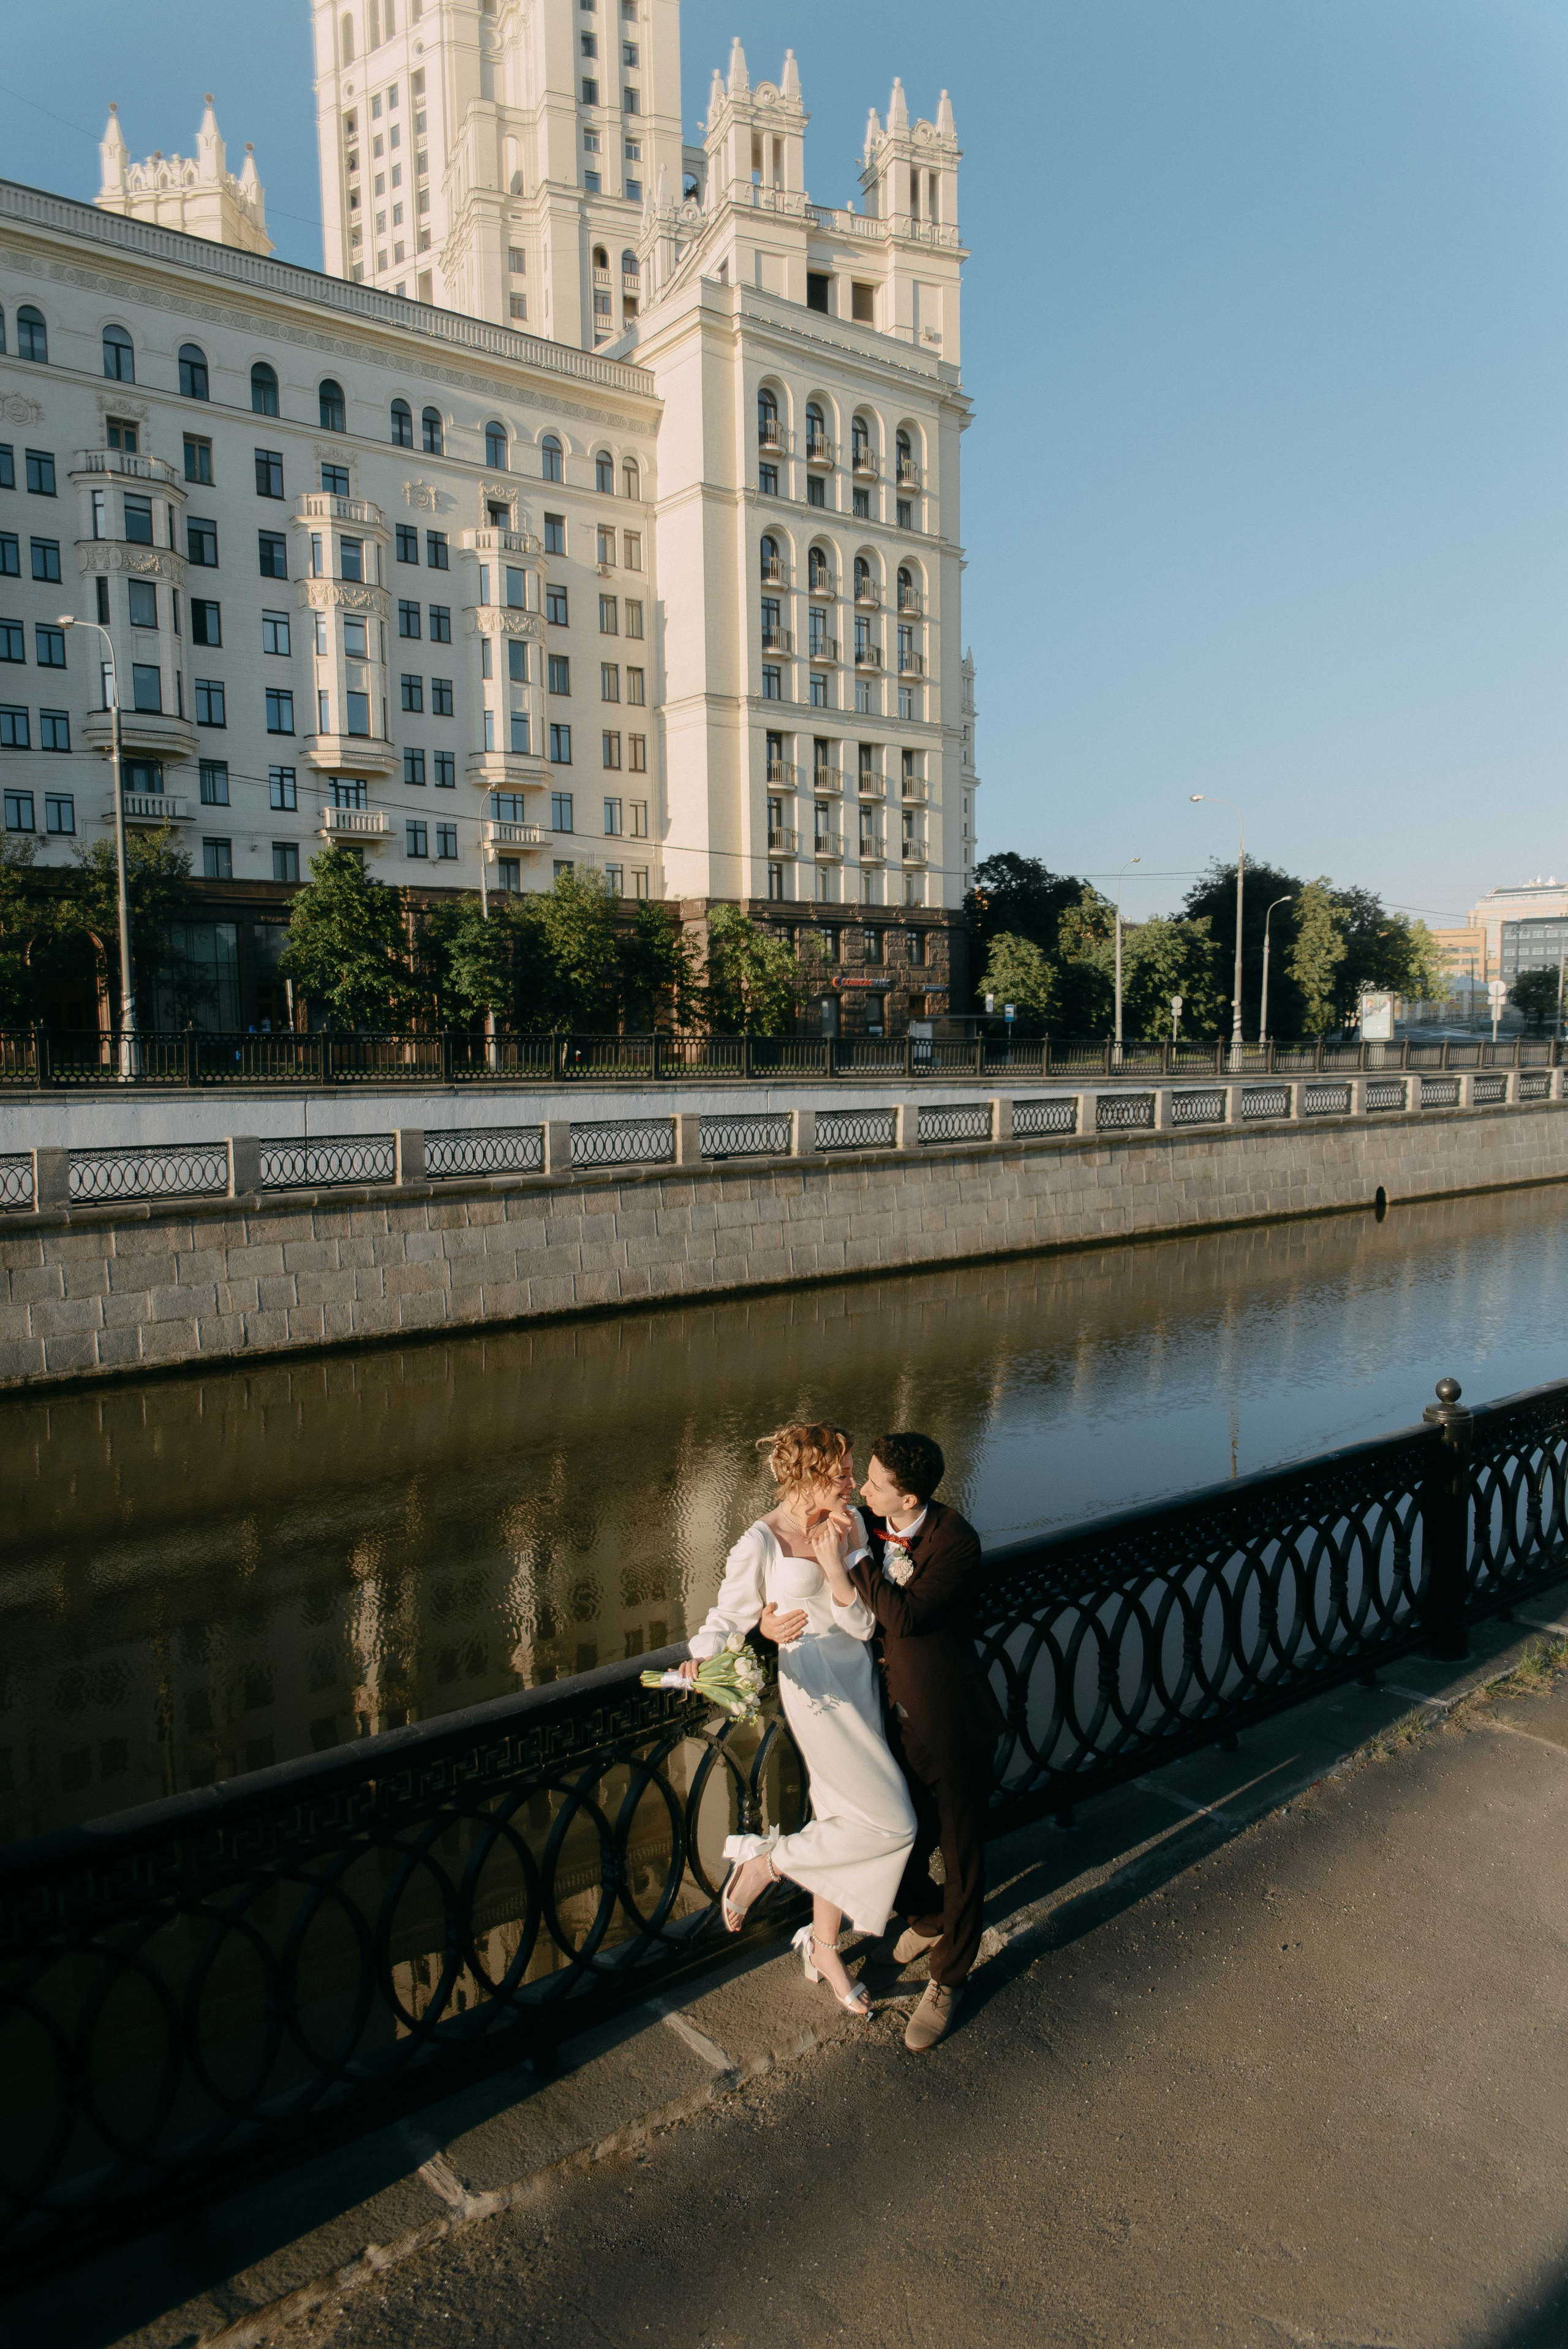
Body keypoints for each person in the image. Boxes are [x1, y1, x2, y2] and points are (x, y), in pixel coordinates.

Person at [680, 1424, 916, 2018]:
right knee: (895, 1824)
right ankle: (772, 1869)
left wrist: (840, 1560)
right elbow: (726, 1617)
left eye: (850, 1470)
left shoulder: (852, 1523)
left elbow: (863, 1620)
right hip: (812, 1689)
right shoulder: (761, 1540)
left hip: (857, 1677)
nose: (851, 1481)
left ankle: (817, 1935)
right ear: (807, 1477)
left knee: (850, 1820)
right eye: (839, 1472)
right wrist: (724, 1648)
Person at [837, 1431, 1003, 2052]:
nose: (862, 1488)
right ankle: (931, 1919)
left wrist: (852, 1560)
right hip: (894, 1722)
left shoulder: (955, 1541)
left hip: (954, 1724)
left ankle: (948, 1977)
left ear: (906, 1496)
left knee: (962, 1859)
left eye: (874, 1483)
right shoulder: (871, 1524)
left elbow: (903, 1618)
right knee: (892, 1839)